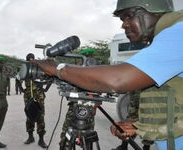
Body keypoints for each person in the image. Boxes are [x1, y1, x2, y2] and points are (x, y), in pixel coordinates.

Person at [34, 0, 183, 149]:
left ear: (154, 10)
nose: (124, 25)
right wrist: (140, 125)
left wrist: (58, 69)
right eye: (122, 19)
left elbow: (117, 80)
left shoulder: (179, 33)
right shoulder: (167, 38)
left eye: (128, 16)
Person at [59, 48, 98, 150]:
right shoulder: (77, 73)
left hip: (87, 111)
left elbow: (98, 95)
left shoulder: (96, 75)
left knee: (86, 139)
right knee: (67, 136)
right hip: (76, 109)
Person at [20, 53, 52, 149]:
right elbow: (18, 79)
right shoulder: (24, 69)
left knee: (40, 116)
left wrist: (46, 89)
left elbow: (50, 79)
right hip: (28, 96)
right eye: (28, 59)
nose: (30, 61)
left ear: (34, 60)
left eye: (32, 59)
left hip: (39, 96)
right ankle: (30, 137)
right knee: (29, 115)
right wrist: (22, 89)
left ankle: (41, 140)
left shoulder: (40, 69)